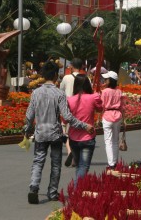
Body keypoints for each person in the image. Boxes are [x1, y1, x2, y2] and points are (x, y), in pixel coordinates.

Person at [23, 61, 93, 204]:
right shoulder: (59, 94)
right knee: (55, 164)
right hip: (55, 133)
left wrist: (27, 129)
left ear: (42, 75)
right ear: (56, 75)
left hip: (40, 133)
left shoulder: (36, 93)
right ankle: (52, 192)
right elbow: (67, 117)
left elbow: (29, 115)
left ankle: (34, 188)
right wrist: (83, 125)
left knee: (38, 161)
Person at [67, 74, 103, 182]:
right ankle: (77, 188)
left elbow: (65, 119)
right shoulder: (93, 97)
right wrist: (98, 97)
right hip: (88, 136)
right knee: (83, 166)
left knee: (79, 165)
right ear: (88, 85)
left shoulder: (69, 100)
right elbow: (100, 109)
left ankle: (77, 186)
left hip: (73, 137)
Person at [59, 57, 84, 168]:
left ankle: (70, 152)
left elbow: (61, 92)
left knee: (67, 132)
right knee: (77, 132)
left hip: (68, 107)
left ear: (72, 66)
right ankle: (76, 154)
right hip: (81, 107)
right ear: (82, 66)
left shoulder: (66, 77)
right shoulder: (84, 78)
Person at [100, 71, 125, 170]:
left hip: (107, 115)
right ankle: (114, 161)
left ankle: (111, 164)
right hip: (118, 115)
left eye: (106, 79)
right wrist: (124, 119)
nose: (105, 80)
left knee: (108, 141)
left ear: (110, 80)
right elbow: (123, 106)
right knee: (115, 140)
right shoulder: (119, 91)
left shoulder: (105, 91)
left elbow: (101, 105)